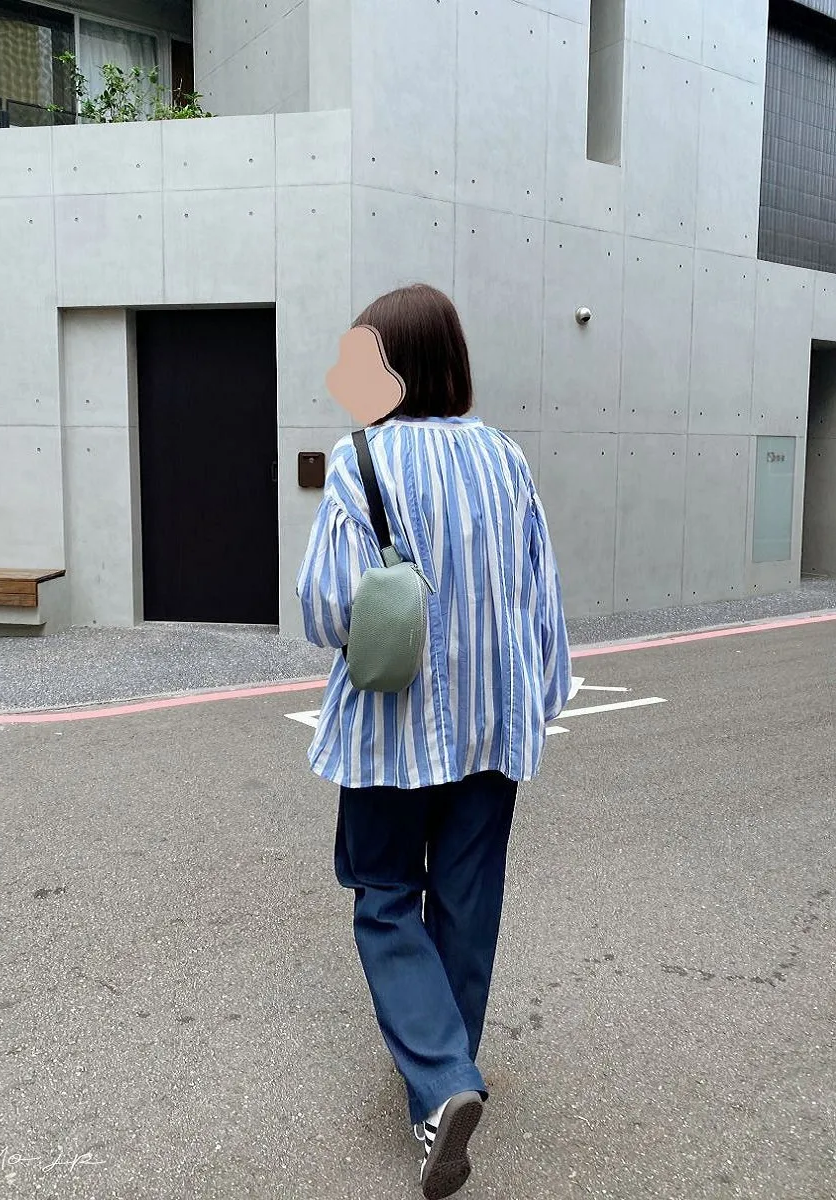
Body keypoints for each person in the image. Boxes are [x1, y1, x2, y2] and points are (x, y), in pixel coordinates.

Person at [296, 283, 571, 1199]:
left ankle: (442, 1078)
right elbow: (540, 593)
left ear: (392, 369)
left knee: (383, 892)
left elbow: (326, 609)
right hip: (496, 724)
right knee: (467, 898)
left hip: (390, 729)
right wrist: (538, 699)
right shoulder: (506, 458)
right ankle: (446, 1074)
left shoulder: (360, 460)